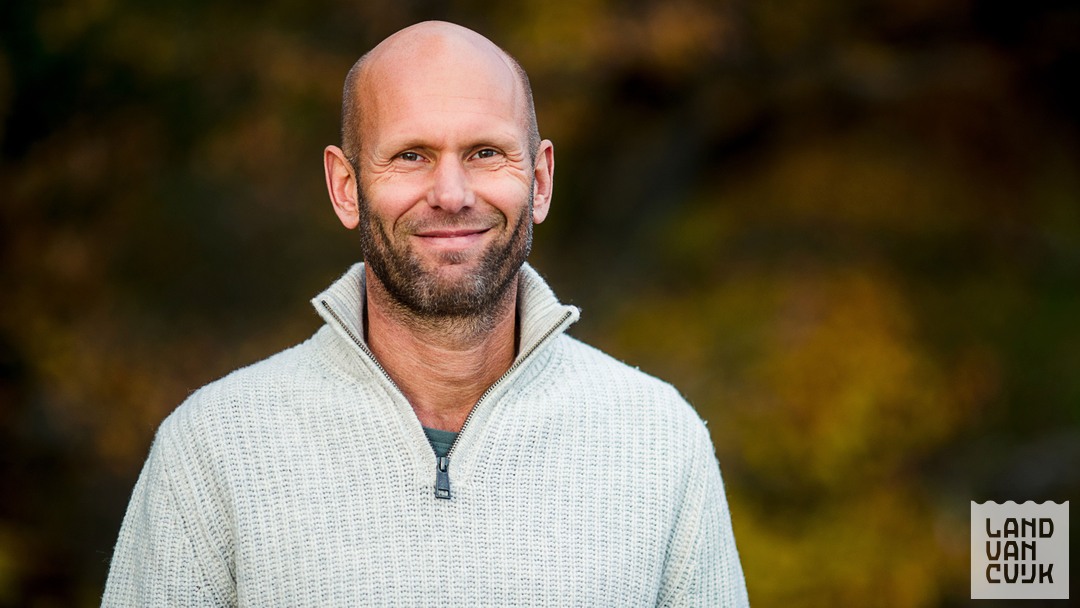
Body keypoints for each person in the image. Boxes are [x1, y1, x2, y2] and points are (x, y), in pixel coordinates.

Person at [102, 20, 749, 607]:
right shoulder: (215, 448)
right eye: (411, 155)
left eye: (485, 152)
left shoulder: (659, 441)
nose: (451, 194)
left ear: (541, 179)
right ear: (346, 186)